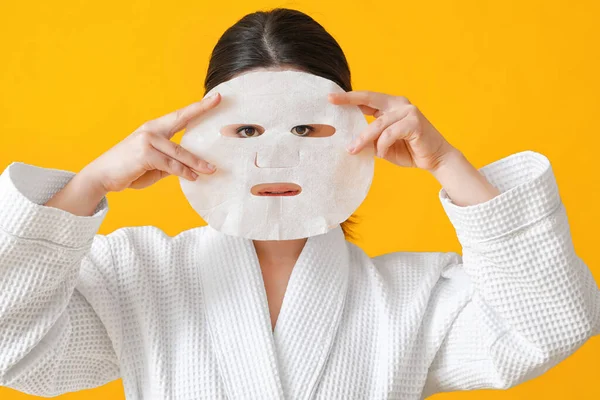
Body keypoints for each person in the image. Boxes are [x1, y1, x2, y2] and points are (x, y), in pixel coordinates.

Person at [0, 7, 598, 400]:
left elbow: (547, 324)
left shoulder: (413, 297)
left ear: (356, 135)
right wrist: (91, 184)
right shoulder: (138, 276)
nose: (275, 158)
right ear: (200, 135)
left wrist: (446, 162)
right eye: (246, 132)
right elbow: (13, 349)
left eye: (307, 131)